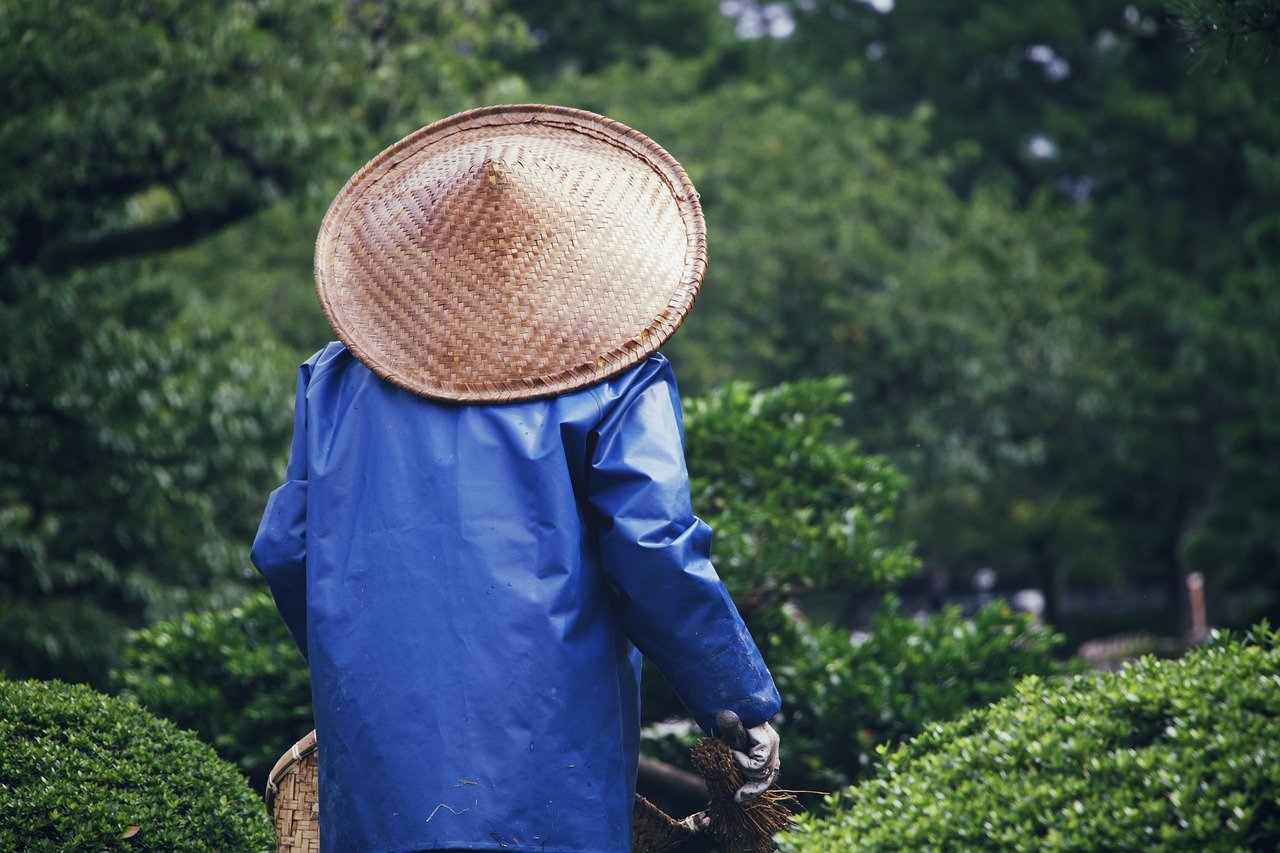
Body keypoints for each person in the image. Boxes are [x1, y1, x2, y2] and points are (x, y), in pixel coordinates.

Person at [251, 105, 781, 853]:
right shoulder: (614, 379)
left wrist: (369, 663)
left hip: (380, 772)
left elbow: (284, 547)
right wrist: (736, 699)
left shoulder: (335, 379)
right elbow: (653, 543)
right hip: (548, 765)